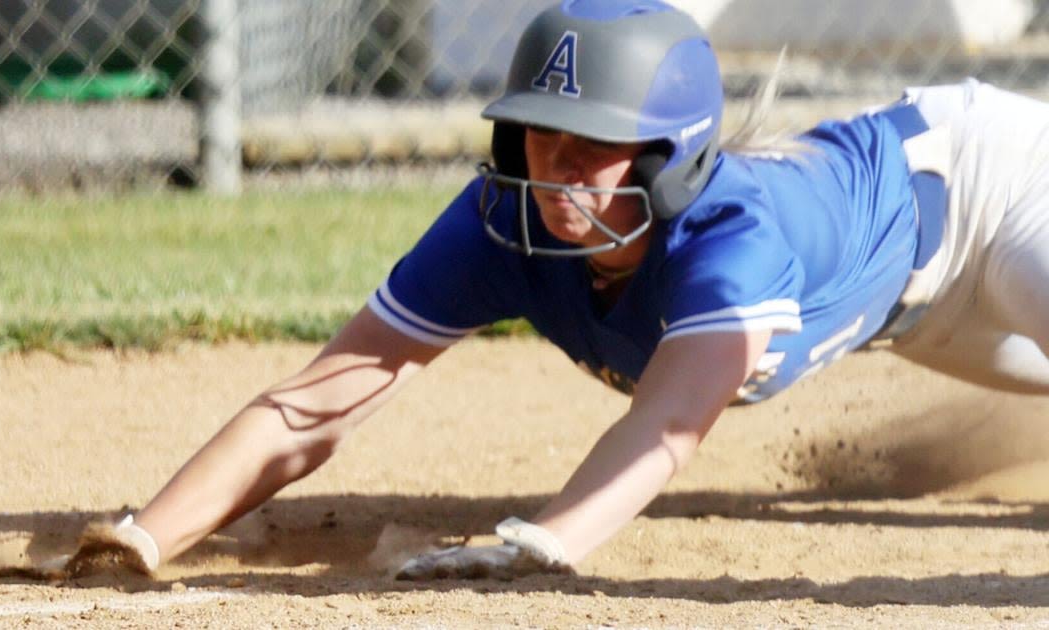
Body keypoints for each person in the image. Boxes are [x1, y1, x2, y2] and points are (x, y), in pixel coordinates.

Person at [65, 0, 1049, 580]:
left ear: (673, 160)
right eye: (540, 132)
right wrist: (147, 535)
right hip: (914, 315)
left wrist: (541, 541)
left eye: (595, 146)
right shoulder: (505, 222)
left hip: (990, 195)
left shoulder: (732, 237)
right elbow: (318, 403)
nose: (559, 167)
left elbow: (663, 428)